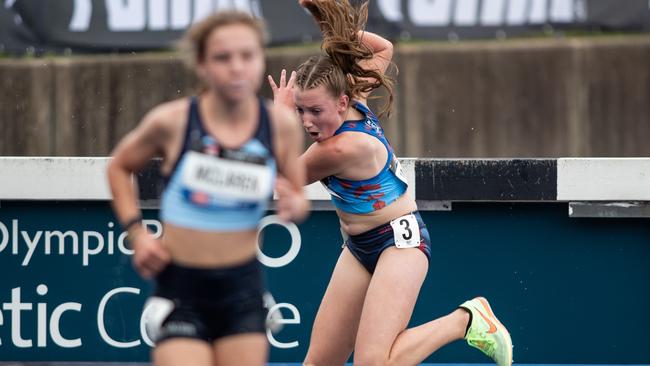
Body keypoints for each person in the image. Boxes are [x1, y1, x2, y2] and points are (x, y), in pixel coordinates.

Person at [268, 1, 512, 365]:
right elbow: (384, 48)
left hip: (399, 242)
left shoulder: (340, 148)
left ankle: (466, 320)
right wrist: (336, 34)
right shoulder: (355, 96)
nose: (307, 122)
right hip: (359, 246)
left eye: (315, 111)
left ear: (342, 102)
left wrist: (278, 117)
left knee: (374, 363)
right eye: (300, 110)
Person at [107, 10, 309, 366]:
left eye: (247, 56)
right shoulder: (173, 121)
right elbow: (119, 166)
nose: (236, 68)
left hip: (242, 291)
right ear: (201, 65)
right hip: (181, 290)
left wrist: (295, 204)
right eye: (222, 58)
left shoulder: (280, 126)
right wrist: (137, 234)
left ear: (261, 58)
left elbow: (298, 197)